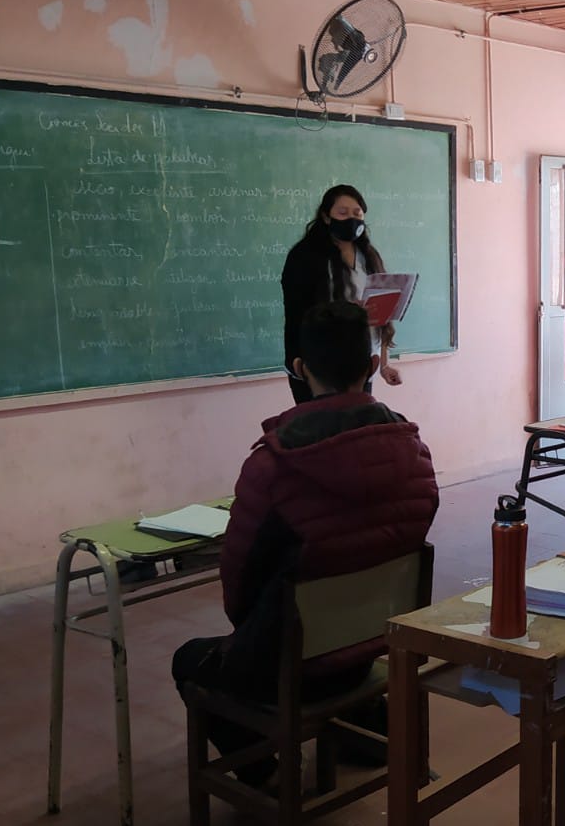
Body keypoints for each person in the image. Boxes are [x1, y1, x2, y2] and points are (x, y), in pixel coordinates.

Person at [172, 301, 439, 788]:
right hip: (376, 646)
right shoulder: (415, 453)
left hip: (294, 663)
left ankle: (267, 773)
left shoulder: (271, 466)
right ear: (372, 365)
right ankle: (358, 729)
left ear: (298, 368)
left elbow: (239, 589)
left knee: (189, 659)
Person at [281, 184, 402, 405]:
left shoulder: (369, 256)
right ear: (326, 217)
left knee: (355, 430)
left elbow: (381, 316)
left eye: (357, 213)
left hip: (361, 365)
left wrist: (383, 364)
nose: (351, 219)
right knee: (321, 432)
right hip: (320, 368)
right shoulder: (304, 257)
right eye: (343, 213)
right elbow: (297, 315)